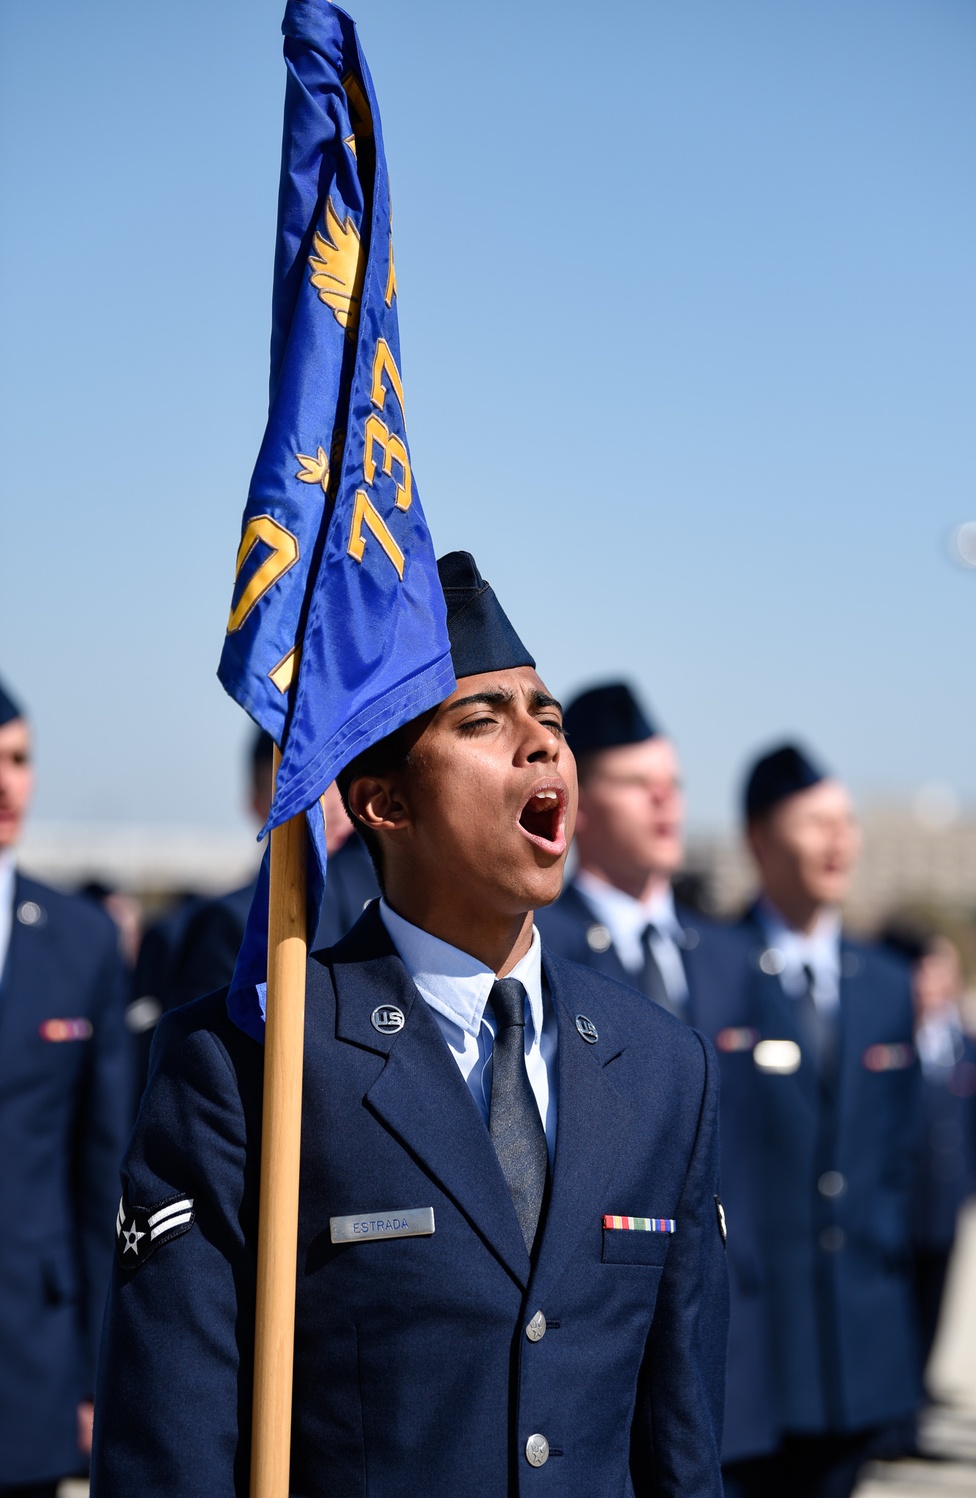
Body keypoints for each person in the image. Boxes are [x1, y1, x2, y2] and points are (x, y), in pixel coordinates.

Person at [91, 553, 729, 1497]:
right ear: (382, 802)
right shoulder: (252, 1061)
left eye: (548, 719)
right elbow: (168, 1451)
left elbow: (681, 1444)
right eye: (483, 720)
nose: (541, 741)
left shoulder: (662, 1065)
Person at [536, 682, 779, 1473]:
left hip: (729, 1339)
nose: (666, 804)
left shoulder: (734, 956)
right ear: (580, 795)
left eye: (673, 785)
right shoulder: (543, 945)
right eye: (641, 784)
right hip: (594, 1343)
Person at [722, 745, 921, 1498]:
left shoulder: (887, 984)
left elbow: (893, 1154)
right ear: (760, 840)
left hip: (859, 1345)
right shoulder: (721, 966)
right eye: (815, 823)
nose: (840, 841)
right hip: (758, 1350)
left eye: (848, 822)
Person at [0, 678, 131, 1496]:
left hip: (30, 1358)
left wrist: (97, 1370)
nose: (5, 783)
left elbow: (101, 1169)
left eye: (18, 760)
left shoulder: (80, 942)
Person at [166, 727, 379, 1010]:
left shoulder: (395, 903)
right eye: (306, 787)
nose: (332, 806)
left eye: (339, 782)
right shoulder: (235, 922)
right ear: (256, 803)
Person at [880, 922, 976, 1382]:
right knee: (894, 1308)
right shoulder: (893, 1038)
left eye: (948, 973)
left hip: (946, 1200)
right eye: (930, 972)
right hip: (900, 1201)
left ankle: (918, 1397)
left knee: (934, 1303)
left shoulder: (967, 1043)